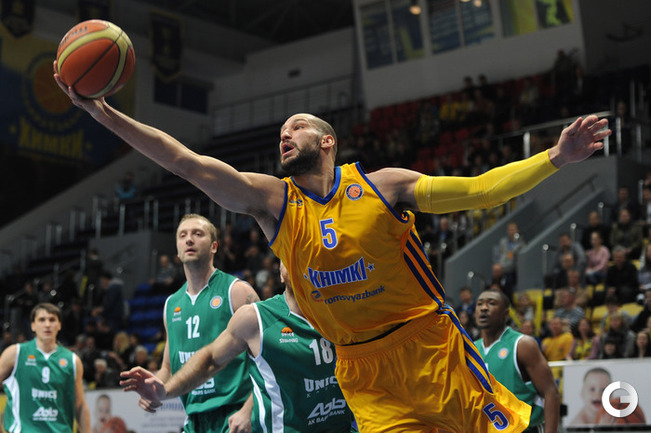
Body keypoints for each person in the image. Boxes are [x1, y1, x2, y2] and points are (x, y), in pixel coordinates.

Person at [55, 69, 611, 432]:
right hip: (364, 372)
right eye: (280, 131)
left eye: (295, 127)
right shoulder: (274, 203)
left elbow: (482, 190)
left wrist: (556, 158)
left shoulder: (383, 186)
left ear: (326, 142)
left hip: (430, 346)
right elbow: (186, 163)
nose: (283, 134)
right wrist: (103, 113)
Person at [121, 262, 356, 432]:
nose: (296, 261)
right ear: (281, 273)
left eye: (303, 255)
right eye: (288, 256)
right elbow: (210, 359)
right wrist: (165, 391)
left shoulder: (350, 312)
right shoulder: (255, 318)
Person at [124, 214, 260, 433]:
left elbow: (270, 361)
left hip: (236, 415)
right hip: (194, 419)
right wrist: (155, 388)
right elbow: (168, 367)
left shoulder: (237, 291)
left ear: (214, 246)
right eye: (183, 235)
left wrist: (249, 411)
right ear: (177, 250)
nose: (189, 239)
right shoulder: (171, 304)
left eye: (198, 234)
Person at [474, 290, 560, 433]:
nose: (484, 308)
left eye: (491, 303)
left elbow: (550, 391)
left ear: (506, 313)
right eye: (480, 304)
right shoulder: (472, 350)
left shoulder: (522, 345)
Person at [0, 303, 91, 433]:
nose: (47, 324)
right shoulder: (15, 353)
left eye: (52, 320)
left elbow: (80, 406)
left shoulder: (72, 360)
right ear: (33, 325)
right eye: (42, 320)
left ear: (59, 325)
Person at [569, 367, 646, 426]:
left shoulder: (614, 411)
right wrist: (602, 430)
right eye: (592, 389)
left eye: (603, 390)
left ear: (611, 395)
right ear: (582, 393)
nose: (598, 394)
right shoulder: (579, 423)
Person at [497, 222, 526, 291]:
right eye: (510, 230)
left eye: (513, 230)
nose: (512, 232)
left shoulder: (521, 243)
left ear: (517, 231)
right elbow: (500, 255)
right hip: (504, 268)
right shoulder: (503, 242)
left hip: (516, 269)